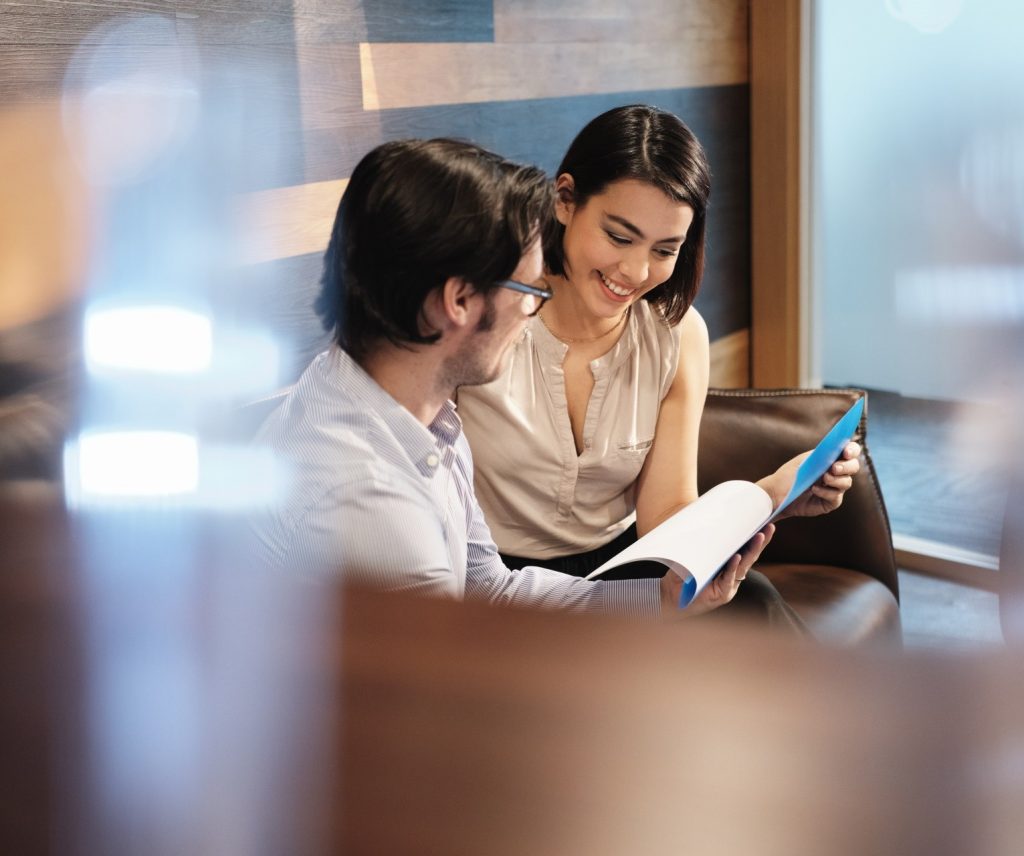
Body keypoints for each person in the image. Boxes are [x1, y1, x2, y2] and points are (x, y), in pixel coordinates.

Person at [250, 137, 773, 617]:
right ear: (457, 301)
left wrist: (659, 600)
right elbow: (444, 699)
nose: (532, 310)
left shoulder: (421, 417)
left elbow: (490, 588)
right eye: (528, 289)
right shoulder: (370, 501)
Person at [457, 106, 860, 626]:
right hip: (505, 580)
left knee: (753, 603)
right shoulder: (494, 316)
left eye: (665, 249)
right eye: (620, 237)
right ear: (565, 200)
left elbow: (665, 519)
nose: (635, 271)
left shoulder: (677, 333)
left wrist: (776, 494)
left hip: (625, 564)